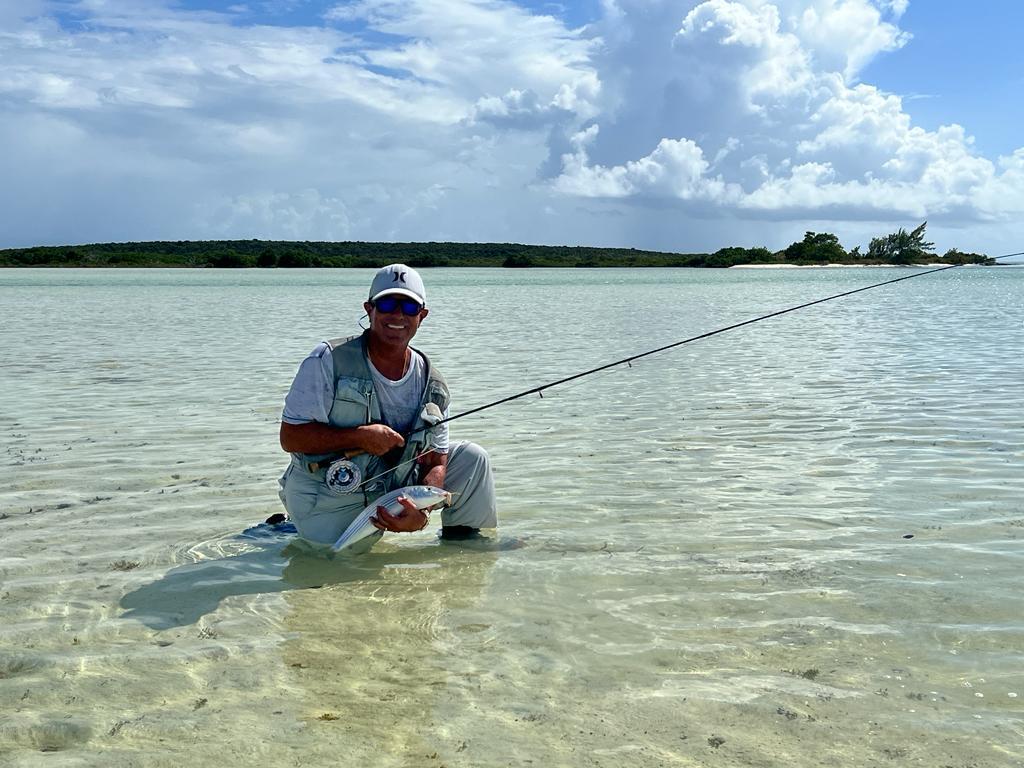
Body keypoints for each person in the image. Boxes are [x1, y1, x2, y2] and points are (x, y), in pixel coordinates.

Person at [276, 264, 497, 547]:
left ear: (422, 316)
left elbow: (436, 459)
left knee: (472, 459)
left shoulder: (434, 384)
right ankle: (283, 528)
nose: (397, 315)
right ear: (370, 309)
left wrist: (422, 511)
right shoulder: (327, 360)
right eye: (388, 303)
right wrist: (359, 437)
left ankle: (465, 547)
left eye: (409, 307)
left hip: (394, 484)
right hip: (330, 491)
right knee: (333, 564)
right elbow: (290, 437)